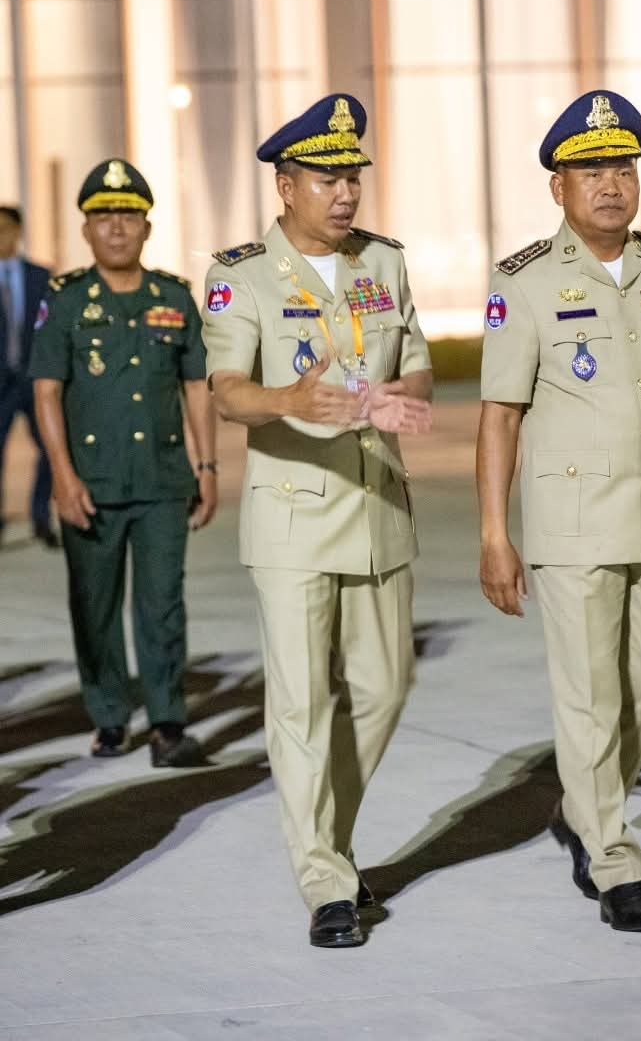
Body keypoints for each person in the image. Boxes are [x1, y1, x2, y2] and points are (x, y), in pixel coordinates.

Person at [476, 89, 641, 934]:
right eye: (590, 170)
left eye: (622, 168)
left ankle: (583, 802)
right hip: (570, 525)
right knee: (590, 697)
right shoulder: (523, 281)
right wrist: (494, 533)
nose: (610, 184)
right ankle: (612, 856)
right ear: (557, 187)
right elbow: (499, 416)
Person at [202, 93, 432, 950]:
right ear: (285, 185)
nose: (344, 194)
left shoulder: (386, 263)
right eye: (326, 179)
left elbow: (416, 367)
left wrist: (402, 400)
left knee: (383, 689)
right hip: (293, 517)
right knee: (300, 705)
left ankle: (326, 839)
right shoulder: (240, 275)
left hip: (377, 507)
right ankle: (326, 882)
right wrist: (288, 401)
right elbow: (227, 391)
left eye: (352, 178)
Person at [29, 159, 217, 766]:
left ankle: (167, 722)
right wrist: (62, 477)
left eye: (129, 216)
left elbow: (197, 387)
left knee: (163, 605)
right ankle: (110, 715)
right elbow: (46, 391)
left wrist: (207, 468)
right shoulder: (65, 301)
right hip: (91, 482)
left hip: (163, 481)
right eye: (104, 216)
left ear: (147, 227)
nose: (116, 228)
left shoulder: (174, 298)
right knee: (94, 606)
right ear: (86, 229)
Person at [0, 205, 57, 547]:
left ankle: (41, 516)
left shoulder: (41, 276)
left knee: (51, 445)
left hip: (35, 380)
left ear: (18, 231)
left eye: (5, 228)